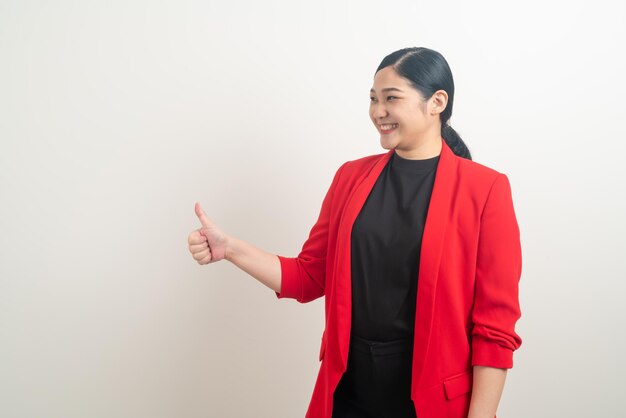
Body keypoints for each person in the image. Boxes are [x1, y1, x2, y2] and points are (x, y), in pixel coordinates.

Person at [187, 47, 522, 418]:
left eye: (391, 98)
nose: (378, 112)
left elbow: (494, 327)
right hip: (349, 391)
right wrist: (230, 249)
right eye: (373, 99)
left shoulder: (486, 189)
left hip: (430, 401)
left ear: (437, 102)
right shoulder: (350, 178)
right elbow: (309, 276)